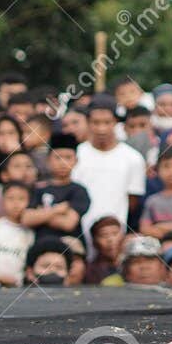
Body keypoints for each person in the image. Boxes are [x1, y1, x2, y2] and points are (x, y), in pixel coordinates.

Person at [72, 95, 147, 237]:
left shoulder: (133, 158)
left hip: (116, 234)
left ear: (116, 123)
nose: (102, 129)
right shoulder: (76, 154)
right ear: (88, 122)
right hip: (79, 231)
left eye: (107, 122)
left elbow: (133, 201)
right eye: (96, 122)